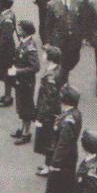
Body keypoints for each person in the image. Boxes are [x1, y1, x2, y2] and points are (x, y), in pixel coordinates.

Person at [45, 85, 82, 193]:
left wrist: (55, 162)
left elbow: (63, 143)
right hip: (69, 154)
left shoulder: (68, 120)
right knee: (63, 186)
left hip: (65, 157)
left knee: (66, 187)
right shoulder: (74, 113)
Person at [46, 0, 86, 86]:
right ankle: (63, 84)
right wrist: (48, 42)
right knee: (62, 63)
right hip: (59, 40)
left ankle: (63, 76)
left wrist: (84, 38)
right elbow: (48, 25)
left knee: (74, 60)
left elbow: (82, 21)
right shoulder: (52, 4)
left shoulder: (79, 2)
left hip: (74, 40)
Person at [9, 20, 40, 146]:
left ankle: (26, 133)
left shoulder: (30, 47)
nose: (18, 30)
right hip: (21, 81)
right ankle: (23, 128)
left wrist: (17, 71)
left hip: (26, 82)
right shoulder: (24, 43)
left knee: (26, 107)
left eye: (20, 29)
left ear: (26, 32)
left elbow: (35, 68)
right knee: (21, 105)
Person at [34, 46, 63, 177]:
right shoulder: (57, 70)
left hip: (49, 113)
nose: (43, 55)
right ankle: (47, 164)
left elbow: (48, 99)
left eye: (46, 53)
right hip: (54, 110)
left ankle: (48, 166)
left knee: (48, 140)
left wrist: (40, 117)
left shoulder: (50, 75)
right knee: (50, 139)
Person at [0, 0, 16, 108]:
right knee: (6, 74)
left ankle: (8, 97)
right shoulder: (7, 15)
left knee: (7, 74)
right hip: (6, 49)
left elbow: (5, 38)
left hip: (6, 51)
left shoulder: (7, 20)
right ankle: (7, 95)